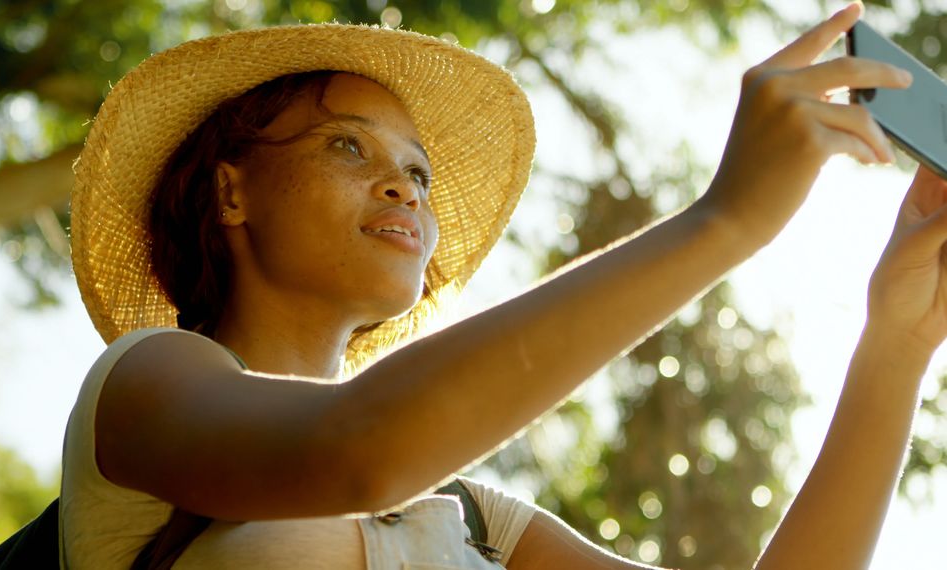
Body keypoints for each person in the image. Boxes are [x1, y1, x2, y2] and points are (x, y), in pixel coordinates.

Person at [61, 2, 939, 568]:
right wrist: (728, 219)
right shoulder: (145, 384)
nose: (404, 185)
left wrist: (898, 342)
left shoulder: (479, 522)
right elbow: (352, 450)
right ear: (230, 190)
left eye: (420, 172)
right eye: (346, 145)